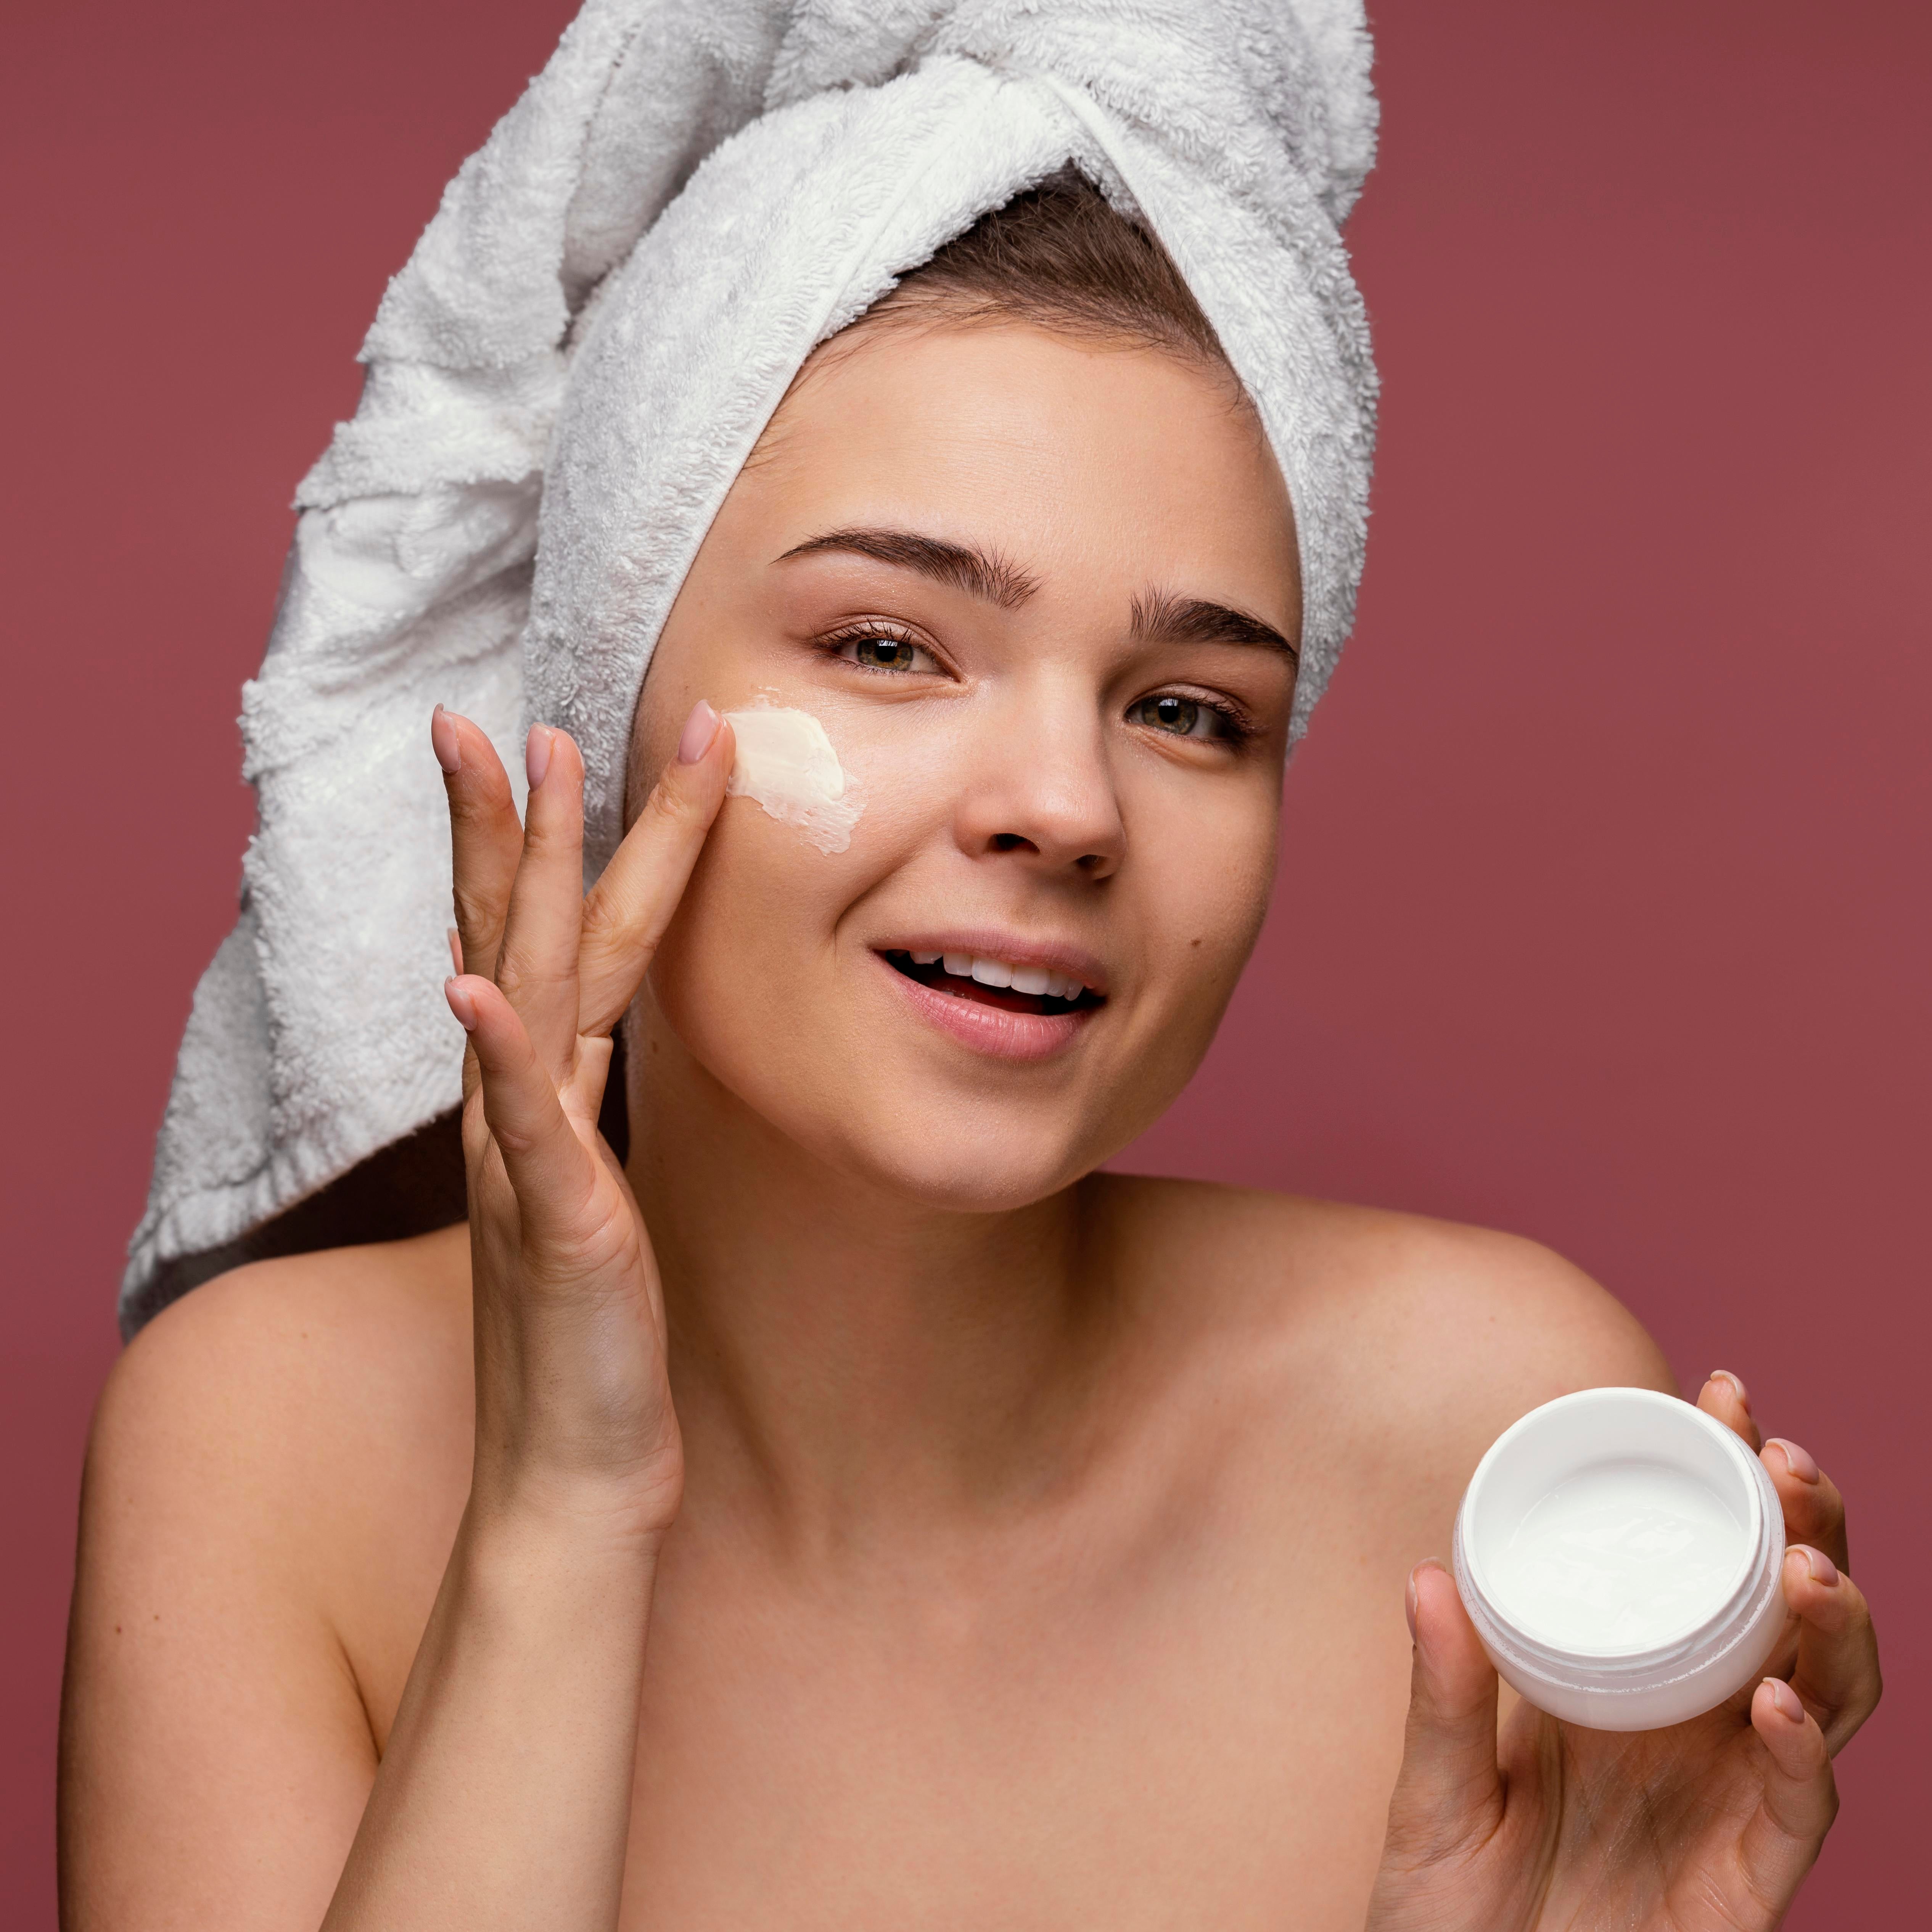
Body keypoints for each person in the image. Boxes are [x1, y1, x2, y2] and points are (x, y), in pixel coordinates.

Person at [60, 11, 1880, 1929]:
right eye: (887, 647)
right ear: (603, 694)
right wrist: (560, 1513)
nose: (1067, 806)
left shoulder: (1489, 1445)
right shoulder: (271, 1449)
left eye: (1187, 709)